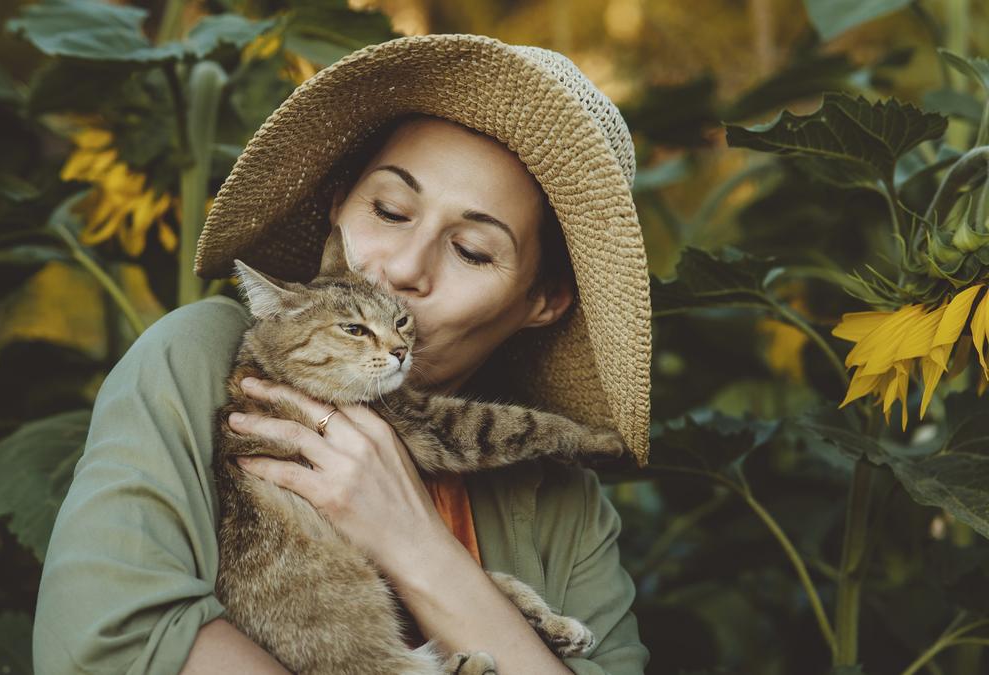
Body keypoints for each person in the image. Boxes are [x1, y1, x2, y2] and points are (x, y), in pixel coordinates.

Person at [33, 33, 653, 675]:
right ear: (337, 203)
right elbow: (107, 635)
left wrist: (417, 547)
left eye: (470, 250)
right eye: (388, 210)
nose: (403, 270)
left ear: (542, 301)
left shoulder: (565, 502)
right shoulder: (201, 357)